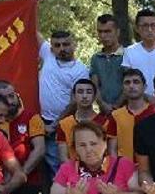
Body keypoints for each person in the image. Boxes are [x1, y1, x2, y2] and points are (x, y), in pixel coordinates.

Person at [47, 121, 148, 194]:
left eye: (93, 144)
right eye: (82, 145)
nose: (88, 149)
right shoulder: (67, 169)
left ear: (105, 144)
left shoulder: (123, 164)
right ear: (75, 149)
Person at [38, 30, 90, 178]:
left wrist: (55, 124)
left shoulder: (80, 70)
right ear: (51, 48)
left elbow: (76, 101)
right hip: (40, 120)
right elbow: (34, 32)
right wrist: (27, 6)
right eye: (57, 45)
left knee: (59, 164)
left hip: (62, 123)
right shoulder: (48, 55)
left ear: (74, 45)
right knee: (43, 168)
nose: (62, 48)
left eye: (66, 44)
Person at [56, 79, 117, 163]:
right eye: (80, 92)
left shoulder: (106, 123)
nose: (84, 96)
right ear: (74, 96)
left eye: (89, 92)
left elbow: (111, 153)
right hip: (73, 172)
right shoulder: (64, 124)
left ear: (95, 96)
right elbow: (63, 157)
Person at [107, 69, 155, 160]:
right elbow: (112, 149)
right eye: (127, 83)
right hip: (124, 170)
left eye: (136, 82)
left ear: (144, 87)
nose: (131, 86)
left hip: (151, 170)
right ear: (122, 88)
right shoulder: (116, 115)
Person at [90, 14, 125, 108]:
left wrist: (116, 105)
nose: (103, 35)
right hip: (104, 110)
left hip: (126, 110)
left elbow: (130, 84)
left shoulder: (127, 55)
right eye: (100, 31)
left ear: (117, 32)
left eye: (108, 31)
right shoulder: (96, 58)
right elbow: (95, 86)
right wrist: (102, 104)